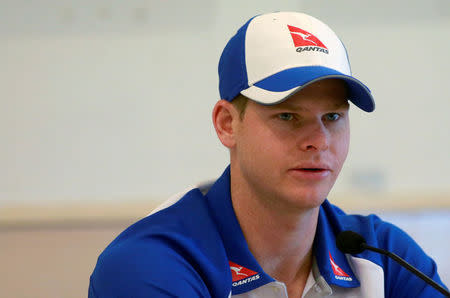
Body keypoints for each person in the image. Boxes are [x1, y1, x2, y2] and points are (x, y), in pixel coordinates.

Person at [88, 11, 448, 297]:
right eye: (288, 116)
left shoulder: (381, 255)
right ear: (227, 124)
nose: (318, 141)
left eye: (333, 116)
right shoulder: (150, 265)